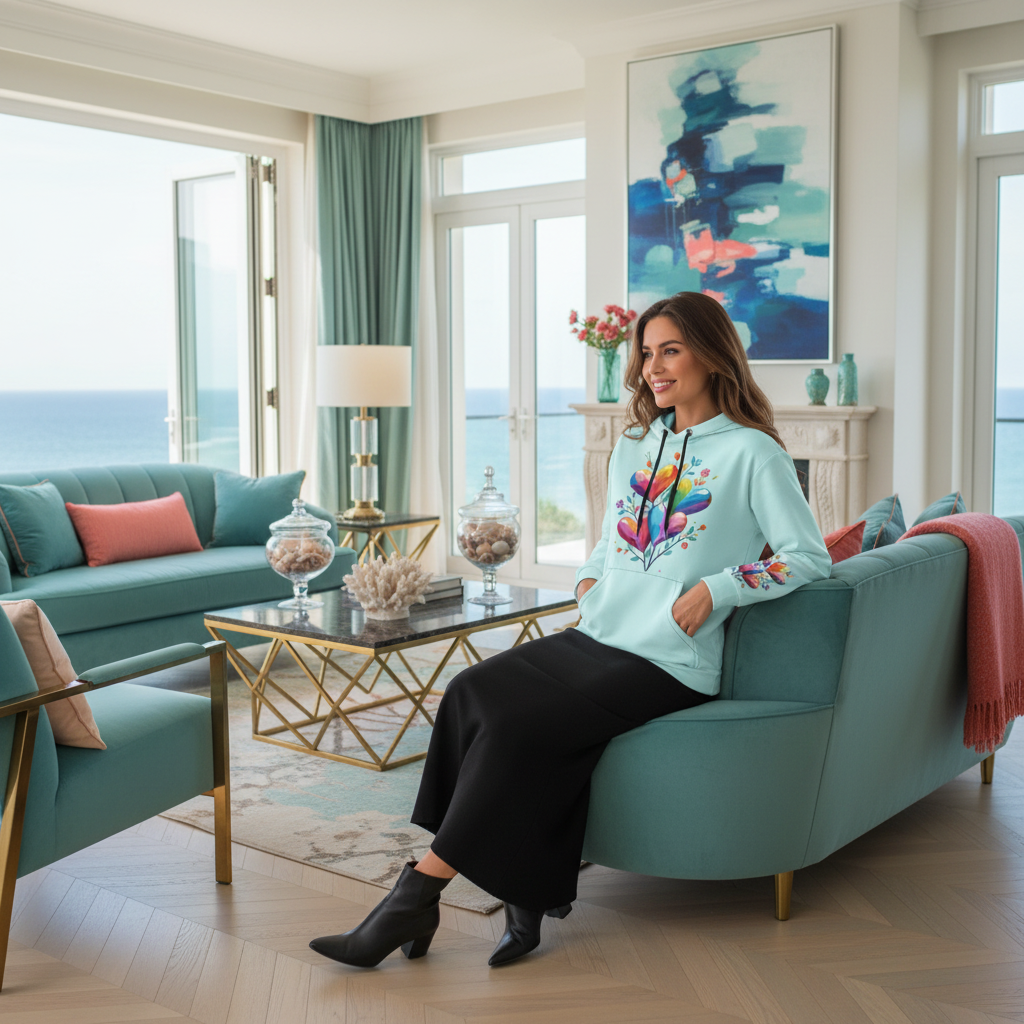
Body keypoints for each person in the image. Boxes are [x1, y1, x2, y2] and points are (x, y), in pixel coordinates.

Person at [309, 290, 831, 969]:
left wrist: (721, 586)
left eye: (670, 349)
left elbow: (808, 556)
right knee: (470, 691)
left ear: (712, 353)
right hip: (602, 634)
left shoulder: (753, 453)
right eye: (647, 353)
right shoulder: (637, 443)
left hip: (671, 659)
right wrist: (588, 579)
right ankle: (518, 888)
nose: (653, 367)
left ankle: (414, 898)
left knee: (520, 729)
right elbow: (611, 542)